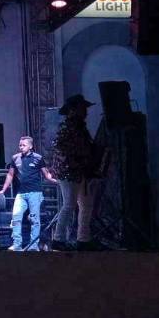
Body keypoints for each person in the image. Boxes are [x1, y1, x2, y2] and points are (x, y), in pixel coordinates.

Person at [50, 95, 97, 251]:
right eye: (82, 108)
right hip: (69, 172)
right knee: (69, 205)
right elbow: (62, 150)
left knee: (85, 205)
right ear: (73, 110)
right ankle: (58, 239)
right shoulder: (68, 128)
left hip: (77, 171)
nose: (85, 112)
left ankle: (83, 239)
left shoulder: (78, 128)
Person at [0, 136, 57, 251]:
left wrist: (57, 181)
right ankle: (17, 244)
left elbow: (46, 175)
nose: (21, 147)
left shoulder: (38, 158)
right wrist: (3, 190)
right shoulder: (15, 158)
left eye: (24, 145)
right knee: (16, 218)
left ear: (30, 146)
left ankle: (33, 245)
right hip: (21, 194)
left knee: (34, 220)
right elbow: (10, 175)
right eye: (20, 145)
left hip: (35, 193)